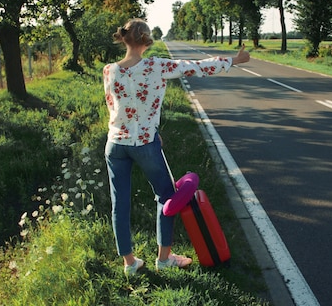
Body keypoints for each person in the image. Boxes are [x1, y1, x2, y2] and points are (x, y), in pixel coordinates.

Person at [103, 18, 250, 276]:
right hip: (144, 143)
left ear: (125, 39)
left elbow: (113, 106)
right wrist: (234, 60)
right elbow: (196, 67)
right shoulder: (156, 66)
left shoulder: (109, 70)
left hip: (115, 143)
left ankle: (129, 264)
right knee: (166, 197)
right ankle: (164, 258)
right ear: (147, 41)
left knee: (120, 203)